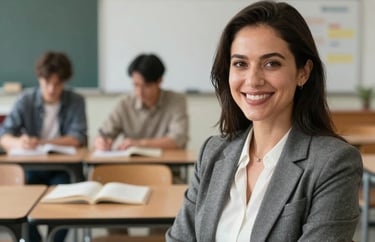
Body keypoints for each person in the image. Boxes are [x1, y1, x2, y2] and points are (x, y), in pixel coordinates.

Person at [166, 1, 363, 241]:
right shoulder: (213, 152)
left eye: (271, 63)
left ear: (303, 72)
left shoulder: (332, 163)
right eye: (240, 64)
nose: (253, 80)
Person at [0, 51, 87, 242]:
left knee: (68, 195)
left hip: (63, 169)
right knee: (20, 200)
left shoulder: (75, 100)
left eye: (57, 84)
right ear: (40, 78)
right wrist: (19, 142)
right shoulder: (26, 100)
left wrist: (43, 143)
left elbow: (78, 137)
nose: (51, 88)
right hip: (31, 169)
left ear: (64, 82)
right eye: (47, 82)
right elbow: (4, 135)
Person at [94, 53, 188, 151]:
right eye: (136, 85)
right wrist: (100, 141)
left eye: (146, 86)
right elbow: (103, 134)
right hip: (131, 164)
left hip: (166, 164)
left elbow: (178, 139)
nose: (140, 92)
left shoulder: (177, 101)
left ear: (160, 81)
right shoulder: (125, 104)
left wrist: (139, 144)